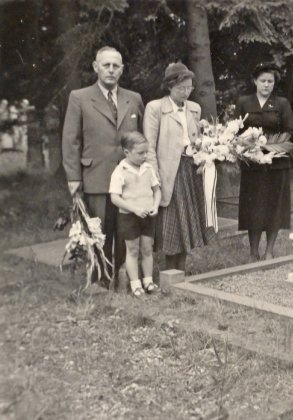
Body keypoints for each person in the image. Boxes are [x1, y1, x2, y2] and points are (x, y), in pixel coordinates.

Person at [62, 46, 144, 286]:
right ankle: (100, 281)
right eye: (106, 65)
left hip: (128, 180)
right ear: (95, 67)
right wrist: (73, 177)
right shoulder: (79, 97)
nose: (110, 70)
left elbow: (141, 138)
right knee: (99, 231)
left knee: (126, 230)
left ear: (122, 69)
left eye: (115, 66)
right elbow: (71, 140)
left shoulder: (134, 98)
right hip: (96, 176)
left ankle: (124, 277)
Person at [144, 62, 209, 271]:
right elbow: (149, 146)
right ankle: (170, 272)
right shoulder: (155, 108)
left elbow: (199, 142)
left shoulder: (194, 108)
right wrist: (154, 178)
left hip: (191, 171)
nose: (186, 92)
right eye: (181, 88)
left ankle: (181, 270)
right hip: (169, 172)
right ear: (169, 86)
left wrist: (204, 158)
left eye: (189, 88)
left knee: (187, 223)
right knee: (172, 224)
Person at [234, 62, 293, 261]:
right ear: (255, 81)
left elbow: (290, 132)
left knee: (273, 206)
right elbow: (234, 131)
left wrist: (268, 146)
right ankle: (253, 252)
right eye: (263, 81)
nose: (266, 85)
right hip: (252, 164)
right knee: (254, 207)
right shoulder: (244, 102)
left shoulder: (282, 104)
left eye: (270, 81)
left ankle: (269, 251)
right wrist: (247, 146)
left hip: (277, 164)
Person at [109, 132, 161, 296]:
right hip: (129, 217)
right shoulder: (120, 171)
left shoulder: (148, 168)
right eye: (140, 153)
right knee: (132, 250)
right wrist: (134, 209)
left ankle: (148, 281)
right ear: (127, 152)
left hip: (148, 216)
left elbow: (156, 190)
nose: (144, 156)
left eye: (146, 152)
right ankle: (135, 284)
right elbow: (115, 198)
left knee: (147, 248)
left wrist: (155, 206)